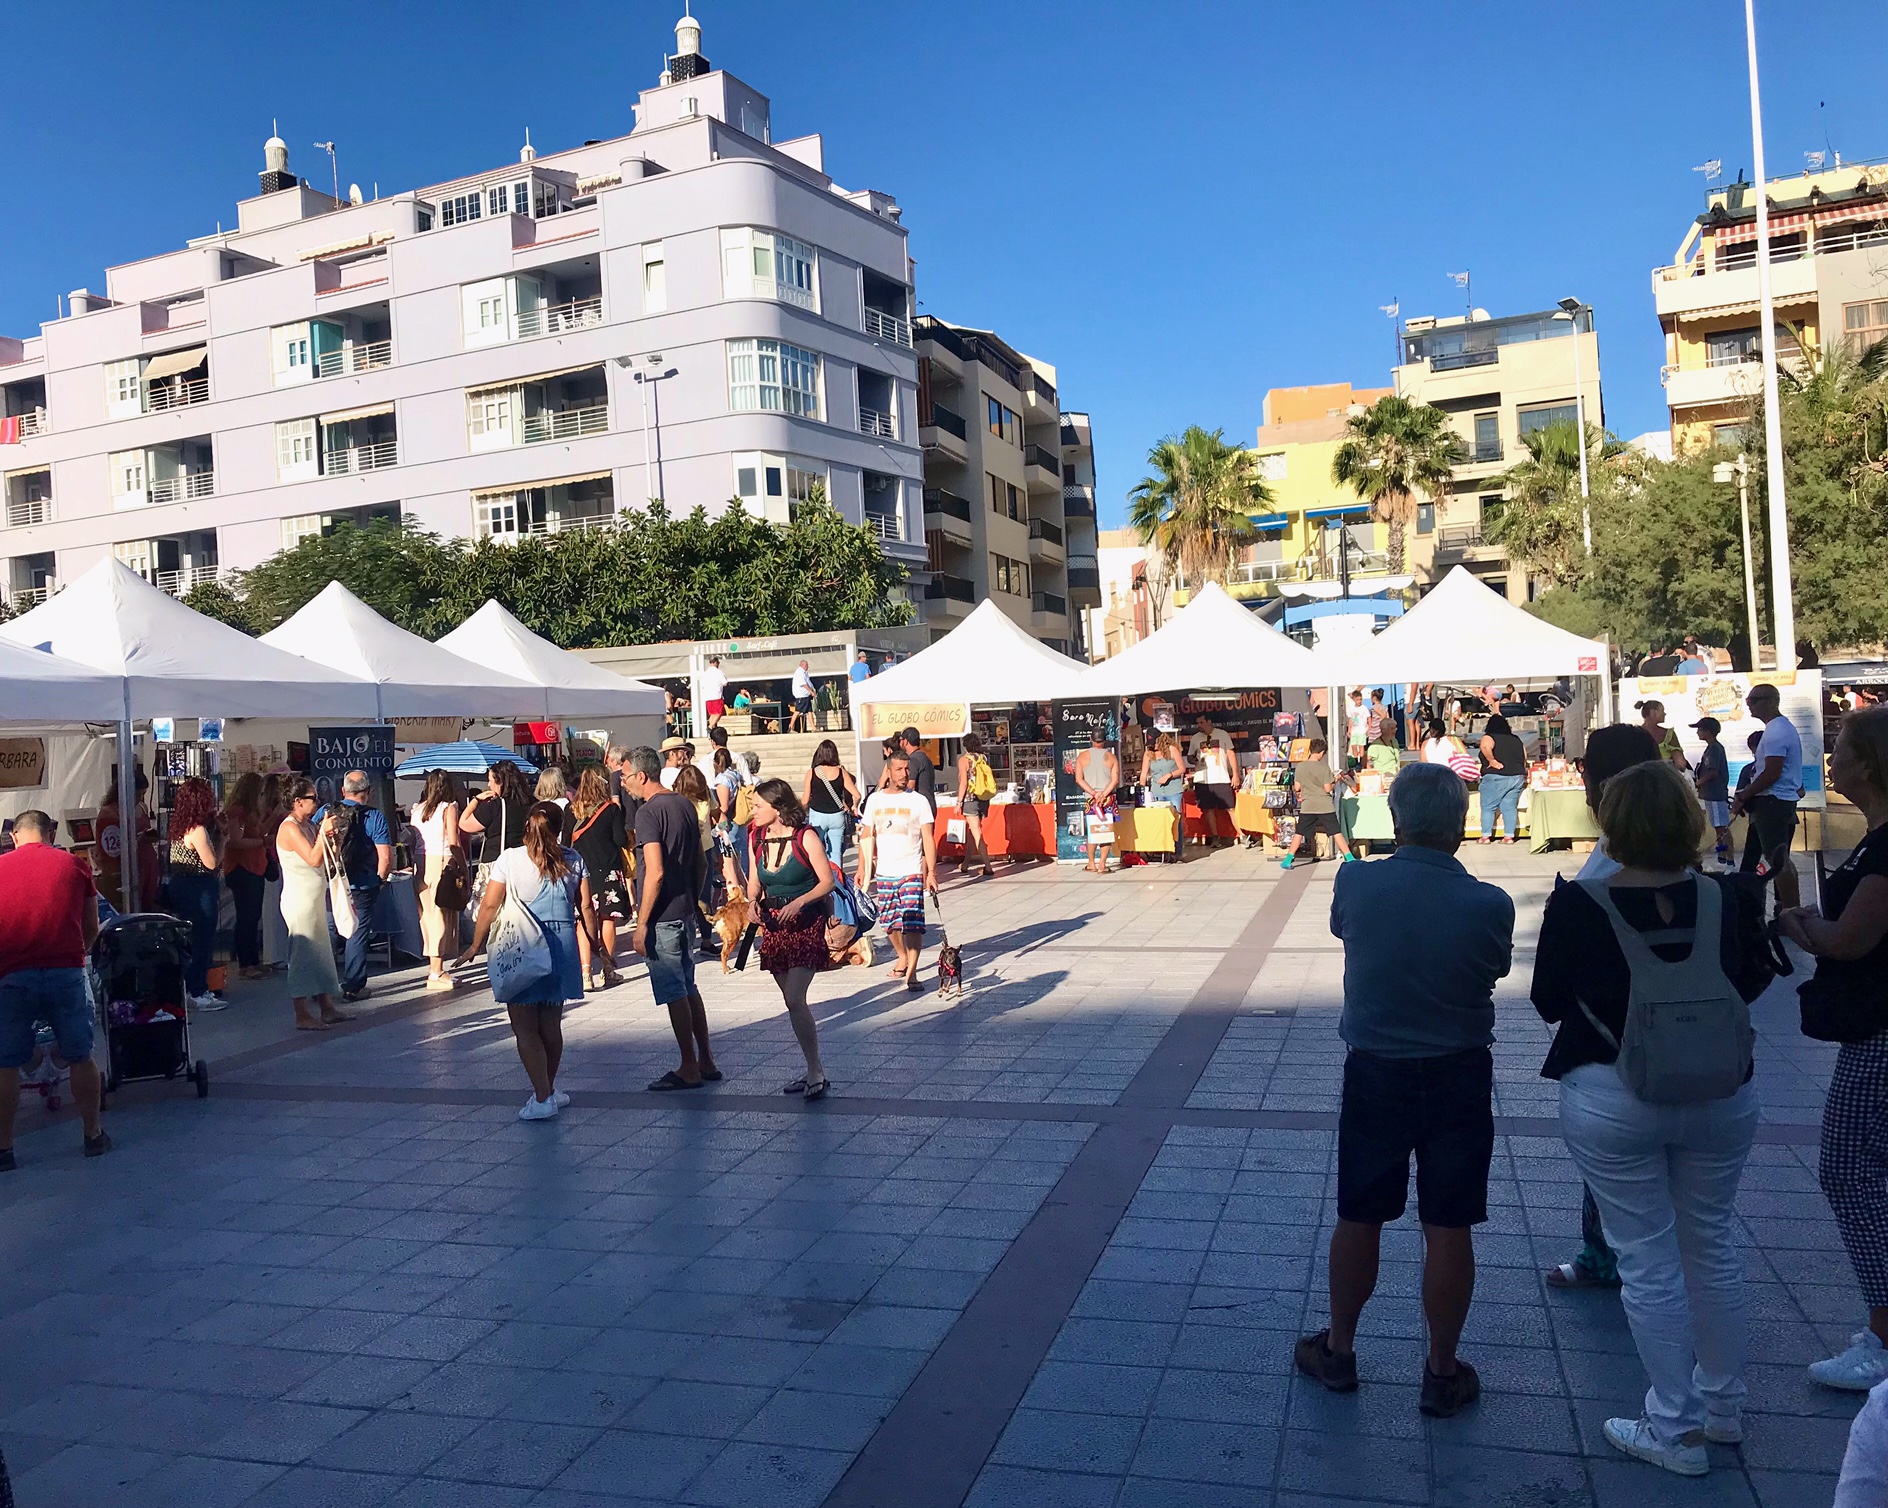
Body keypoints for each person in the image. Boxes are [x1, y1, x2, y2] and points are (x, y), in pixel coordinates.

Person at [1532, 761, 1774, 1476]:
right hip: (1722, 1091)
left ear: (1612, 824)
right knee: (1713, 1243)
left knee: (1647, 1260)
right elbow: (1754, 980)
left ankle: (1675, 1428)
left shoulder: (1578, 903)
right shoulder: (1729, 898)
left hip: (1612, 1095)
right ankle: (1724, 1408)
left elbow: (1548, 999)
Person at [1296, 764, 1514, 1419]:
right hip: (1458, 1074)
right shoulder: (1490, 903)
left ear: (1396, 818)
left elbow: (1343, 930)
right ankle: (1441, 1372)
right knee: (1449, 1223)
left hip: (1377, 1071)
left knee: (1359, 1213)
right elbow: (1496, 966)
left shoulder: (1357, 882)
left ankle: (1339, 1351)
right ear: (1460, 822)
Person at [1778, 708, 1888, 1391]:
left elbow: (1852, 940)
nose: (1832, 760)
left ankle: (1883, 1335)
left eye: (1842, 749)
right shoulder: (1874, 843)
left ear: (1870, 767)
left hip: (1877, 1034)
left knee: (1848, 1170)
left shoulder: (1885, 850)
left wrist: (1798, 926)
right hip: (1872, 1026)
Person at [1542, 723, 1664, 1292]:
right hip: (1703, 1059)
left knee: (1622, 1190)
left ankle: (1606, 1257)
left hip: (1615, 1052)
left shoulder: (1601, 870)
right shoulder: (1702, 874)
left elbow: (1550, 993)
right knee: (1701, 1229)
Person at [460, 805, 593, 1121]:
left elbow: (490, 904)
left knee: (524, 1027)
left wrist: (475, 944)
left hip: (523, 943)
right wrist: (598, 947)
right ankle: (548, 1087)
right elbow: (586, 906)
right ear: (559, 829)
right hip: (561, 946)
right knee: (551, 1024)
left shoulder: (510, 858)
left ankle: (543, 1096)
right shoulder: (573, 859)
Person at [0, 810, 110, 1168]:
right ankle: (92, 1134)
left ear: (14, 836)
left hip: (13, 975)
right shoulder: (73, 866)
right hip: (65, 971)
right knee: (80, 1054)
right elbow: (92, 925)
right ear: (50, 832)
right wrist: (76, 953)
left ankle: (4, 1148)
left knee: (6, 1062)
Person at [622, 746, 719, 1091]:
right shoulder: (683, 804)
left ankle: (688, 1065)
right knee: (689, 985)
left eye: (626, 776)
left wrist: (642, 922)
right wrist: (695, 899)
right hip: (685, 910)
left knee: (674, 990)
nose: (623, 782)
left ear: (641, 775)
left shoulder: (648, 813)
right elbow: (702, 861)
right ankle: (705, 1058)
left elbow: (655, 871)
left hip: (662, 914)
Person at [746, 778, 839, 1100]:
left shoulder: (806, 836)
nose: (752, 811)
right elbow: (754, 881)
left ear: (778, 807)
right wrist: (751, 902)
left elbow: (827, 881)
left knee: (794, 999)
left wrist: (800, 902)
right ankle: (813, 1067)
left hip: (805, 923)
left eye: (758, 805)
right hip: (774, 926)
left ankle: (816, 1071)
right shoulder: (756, 836)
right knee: (793, 1003)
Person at [274, 779, 349, 1031]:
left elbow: (327, 859)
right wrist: (322, 834)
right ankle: (302, 1013)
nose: (317, 802)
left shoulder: (307, 825)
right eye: (313, 798)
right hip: (299, 900)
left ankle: (327, 1007)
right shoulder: (289, 828)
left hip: (314, 897)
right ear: (298, 802)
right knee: (302, 955)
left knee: (321, 953)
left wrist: (334, 840)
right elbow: (313, 858)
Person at [859, 751, 937, 991]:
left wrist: (931, 871)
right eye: (900, 769)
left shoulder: (918, 801)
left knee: (912, 922)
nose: (905, 774)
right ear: (889, 771)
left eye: (907, 769)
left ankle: (912, 973)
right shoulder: (875, 800)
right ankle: (901, 955)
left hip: (911, 870)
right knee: (889, 923)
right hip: (885, 871)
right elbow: (865, 835)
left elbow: (928, 838)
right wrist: (863, 867)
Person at [1731, 681, 1804, 912]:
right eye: (1748, 700)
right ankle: (1789, 908)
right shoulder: (1779, 728)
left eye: (1755, 700)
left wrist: (1745, 793)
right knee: (1780, 858)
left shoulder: (1777, 730)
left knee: (1777, 861)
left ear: (1772, 702)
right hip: (1777, 800)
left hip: (1772, 800)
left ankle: (1790, 911)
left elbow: (1772, 772)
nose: (1749, 704)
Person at [564, 768, 630, 989]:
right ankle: (608, 969)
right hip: (608, 870)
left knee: (583, 920)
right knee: (607, 919)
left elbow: (565, 843)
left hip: (580, 872)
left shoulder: (571, 810)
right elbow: (620, 840)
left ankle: (585, 973)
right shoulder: (611, 810)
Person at [331, 770, 392, 1004]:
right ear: (368, 792)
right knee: (356, 933)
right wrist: (381, 879)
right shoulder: (374, 816)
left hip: (332, 883)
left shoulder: (326, 813)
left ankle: (322, 987)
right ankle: (353, 986)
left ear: (343, 791)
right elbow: (384, 857)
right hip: (363, 885)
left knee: (328, 932)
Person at [166, 776, 226, 1011]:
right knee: (202, 939)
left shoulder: (179, 828)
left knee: (189, 940)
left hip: (181, 884)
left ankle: (189, 988)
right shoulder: (198, 830)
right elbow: (211, 863)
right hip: (199, 887)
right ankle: (198, 991)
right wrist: (223, 839)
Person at [412, 769, 463, 992]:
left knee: (426, 915)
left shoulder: (417, 809)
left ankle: (434, 967)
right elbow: (453, 840)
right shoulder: (448, 808)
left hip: (420, 862)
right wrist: (461, 865)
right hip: (441, 861)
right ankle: (436, 970)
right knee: (441, 913)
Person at [220, 772, 271, 981]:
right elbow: (234, 840)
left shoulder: (251, 813)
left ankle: (253, 959)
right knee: (246, 917)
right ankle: (245, 963)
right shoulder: (237, 812)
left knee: (253, 915)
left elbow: (257, 834)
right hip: (242, 868)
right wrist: (262, 843)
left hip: (255, 867)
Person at [459, 760, 533, 895]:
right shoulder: (533, 803)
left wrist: (476, 800)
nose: (488, 785)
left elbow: (464, 823)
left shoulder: (495, 806)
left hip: (498, 862)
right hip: (527, 862)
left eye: (490, 780)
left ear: (500, 782)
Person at [94, 766, 159, 914]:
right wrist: (139, 840)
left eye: (143, 794)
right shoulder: (109, 813)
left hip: (146, 864)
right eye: (137, 794)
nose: (140, 798)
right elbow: (112, 850)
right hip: (126, 869)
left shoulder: (142, 807)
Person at [673, 764, 722, 953]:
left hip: (706, 848)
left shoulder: (706, 795)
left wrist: (721, 828)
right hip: (685, 850)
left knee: (704, 894)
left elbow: (717, 814)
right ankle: (685, 937)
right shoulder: (676, 799)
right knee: (685, 893)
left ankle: (707, 939)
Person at [1283, 738, 1352, 868]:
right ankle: (1349, 857)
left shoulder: (1301, 766)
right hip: (1324, 805)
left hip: (1308, 805)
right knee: (1335, 831)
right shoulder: (1324, 767)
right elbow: (1327, 788)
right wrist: (1335, 780)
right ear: (1321, 753)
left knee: (1299, 832)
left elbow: (1297, 787)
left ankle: (1288, 859)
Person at [805, 739, 863, 866]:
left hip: (817, 816)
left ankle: (821, 880)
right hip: (837, 816)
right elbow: (857, 795)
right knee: (836, 854)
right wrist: (855, 806)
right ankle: (838, 882)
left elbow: (804, 800)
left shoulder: (812, 773)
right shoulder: (841, 772)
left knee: (816, 850)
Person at [1074, 726, 1120, 874]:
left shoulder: (1082, 757)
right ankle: (1102, 865)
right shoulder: (1111, 758)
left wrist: (1094, 793)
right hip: (1107, 800)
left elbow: (1079, 779)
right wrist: (1103, 794)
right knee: (1106, 830)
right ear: (1105, 740)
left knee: (1092, 831)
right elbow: (1114, 780)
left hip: (1091, 800)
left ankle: (1091, 863)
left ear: (1091, 739)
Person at [1189, 713, 1237, 846]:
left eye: (1202, 722)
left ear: (1209, 722)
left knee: (1230, 808)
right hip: (1202, 779)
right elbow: (1189, 756)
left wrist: (1235, 774)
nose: (1199, 726)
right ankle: (1215, 837)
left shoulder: (1222, 734)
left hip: (1221, 777)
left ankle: (1241, 834)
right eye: (1198, 723)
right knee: (1208, 809)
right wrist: (1192, 759)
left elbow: (1231, 754)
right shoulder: (1195, 738)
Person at [1476, 714, 1525, 844]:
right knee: (1509, 807)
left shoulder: (1489, 737)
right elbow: (1524, 755)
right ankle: (1509, 836)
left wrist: (1492, 761)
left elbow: (1486, 746)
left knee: (1488, 807)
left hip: (1496, 776)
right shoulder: (1516, 739)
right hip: (1516, 776)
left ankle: (1485, 836)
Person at [1691, 717, 1732, 867]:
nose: (1697, 732)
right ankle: (1722, 856)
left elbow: (1713, 772)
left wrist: (1698, 782)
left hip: (1716, 795)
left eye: (1700, 729)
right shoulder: (1710, 748)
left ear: (1708, 732)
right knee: (1718, 827)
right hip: (1711, 795)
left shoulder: (1714, 749)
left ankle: (1730, 860)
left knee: (1722, 828)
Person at [1142, 733, 1187, 851]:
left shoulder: (1172, 749)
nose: (1153, 746)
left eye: (1154, 743)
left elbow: (1182, 768)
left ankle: (1177, 850)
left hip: (1173, 790)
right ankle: (1162, 850)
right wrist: (1142, 790)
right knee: (1159, 821)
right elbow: (1143, 773)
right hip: (1157, 791)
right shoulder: (1148, 754)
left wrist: (1169, 775)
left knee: (1175, 819)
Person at [1636, 699, 1689, 773]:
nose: (1665, 714)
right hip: (1664, 777)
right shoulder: (1668, 735)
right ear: (1653, 713)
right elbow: (1681, 763)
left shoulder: (1635, 734)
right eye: (1662, 711)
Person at [899, 727, 938, 807]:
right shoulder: (923, 757)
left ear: (905, 741)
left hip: (921, 806)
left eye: (901, 740)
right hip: (929, 803)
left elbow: (911, 785)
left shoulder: (914, 759)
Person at [701, 655, 728, 727]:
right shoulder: (719, 672)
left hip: (707, 696)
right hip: (716, 695)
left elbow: (702, 685)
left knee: (712, 714)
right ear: (716, 663)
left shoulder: (705, 673)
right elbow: (725, 683)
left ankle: (712, 728)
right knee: (719, 713)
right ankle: (710, 726)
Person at [790, 659, 815, 733]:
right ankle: (791, 727)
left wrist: (812, 690)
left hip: (806, 696)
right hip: (801, 695)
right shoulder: (799, 672)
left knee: (809, 711)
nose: (808, 667)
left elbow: (808, 682)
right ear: (802, 665)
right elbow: (804, 684)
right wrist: (811, 691)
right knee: (797, 711)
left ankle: (813, 727)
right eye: (806, 665)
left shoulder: (805, 673)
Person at [1346, 689, 1370, 764]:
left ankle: (1361, 762)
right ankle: (1356, 761)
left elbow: (1369, 718)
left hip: (1362, 730)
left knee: (1361, 746)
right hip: (1354, 730)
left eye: (1360, 699)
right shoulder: (1352, 708)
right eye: (1357, 700)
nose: (1359, 701)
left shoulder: (1364, 708)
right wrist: (1349, 730)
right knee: (1353, 746)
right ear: (1354, 700)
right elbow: (1350, 719)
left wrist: (1369, 728)